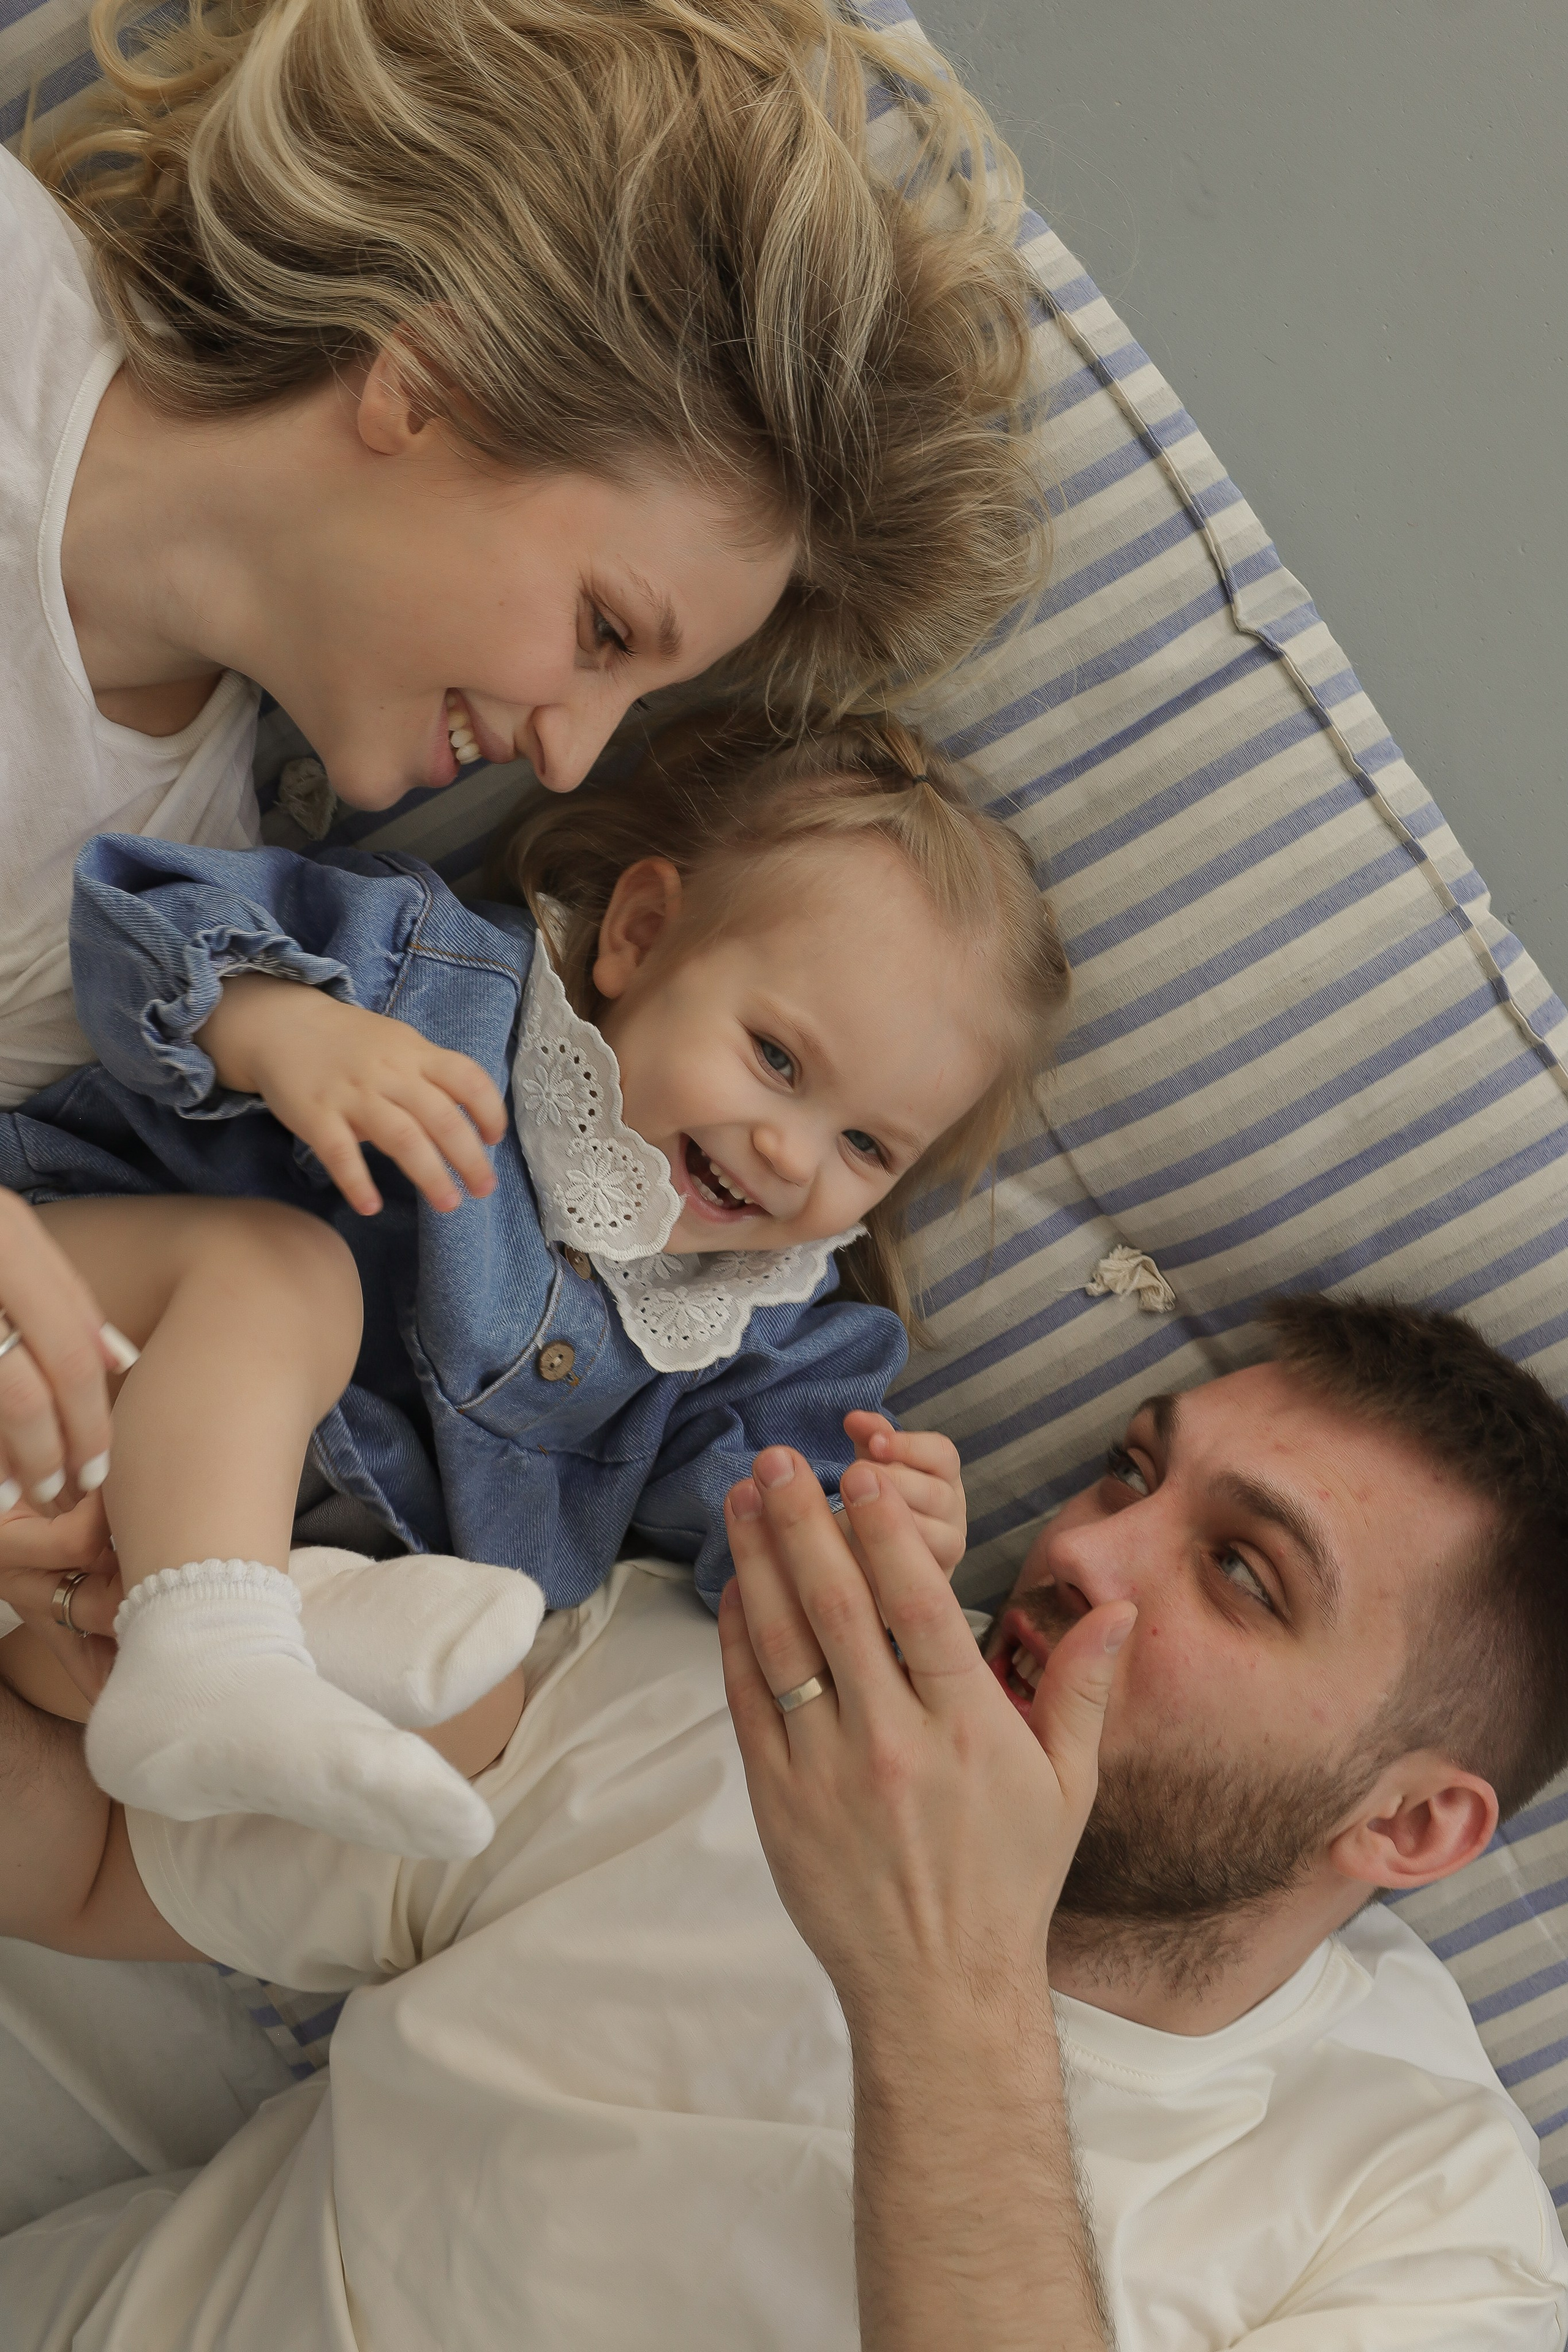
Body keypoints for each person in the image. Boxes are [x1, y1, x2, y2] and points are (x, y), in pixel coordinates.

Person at [1, 1294, 1564, 2348]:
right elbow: (97, 1856)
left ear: (1412, 1826)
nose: (1085, 1553)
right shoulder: (743, 1689)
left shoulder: (1421, 2222)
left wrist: (938, 1986)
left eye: (1238, 1573)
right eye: (1127, 1474)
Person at [0, 0, 1047, 1546]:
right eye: (603, 627)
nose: (567, 749)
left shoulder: (187, 898)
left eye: (633, 693)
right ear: (432, 386)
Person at [0, 715, 1065, 1853]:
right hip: (72, 1327)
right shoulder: (441, 984)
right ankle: (214, 1642)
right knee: (286, 1273)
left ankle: (204, 1666)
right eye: (778, 1059)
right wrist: (280, 1029)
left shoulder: (759, 1335)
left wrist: (876, 1537)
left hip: (114, 1558)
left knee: (484, 1699)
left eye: (867, 1147)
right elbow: (136, 915)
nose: (792, 1154)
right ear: (643, 937)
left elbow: (761, 1542)